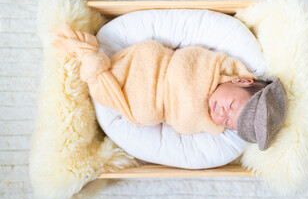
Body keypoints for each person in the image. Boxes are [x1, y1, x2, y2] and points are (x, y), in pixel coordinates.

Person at [52, 23, 287, 151]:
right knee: (149, 52)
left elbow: (182, 122)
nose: (221, 114)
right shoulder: (217, 66)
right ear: (241, 81)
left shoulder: (209, 126)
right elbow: (186, 60)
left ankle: (96, 72)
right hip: (156, 66)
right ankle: (94, 63)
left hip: (154, 104)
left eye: (227, 122)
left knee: (146, 114)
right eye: (231, 105)